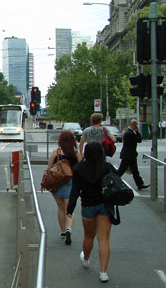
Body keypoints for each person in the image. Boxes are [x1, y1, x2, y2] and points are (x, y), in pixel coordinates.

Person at [67, 141, 115, 283]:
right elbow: (117, 178)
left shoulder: (79, 168)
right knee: (104, 239)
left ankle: (86, 258)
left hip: (87, 205)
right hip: (105, 205)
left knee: (89, 236)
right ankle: (103, 272)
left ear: (86, 153)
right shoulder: (107, 167)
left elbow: (75, 190)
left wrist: (70, 207)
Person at [42, 130, 81, 245]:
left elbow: (49, 168)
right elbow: (80, 169)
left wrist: (44, 182)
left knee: (60, 207)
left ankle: (63, 231)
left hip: (57, 183)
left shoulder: (56, 152)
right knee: (69, 207)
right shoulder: (76, 154)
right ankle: (69, 228)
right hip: (71, 182)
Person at [117, 119, 150, 190]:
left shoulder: (129, 132)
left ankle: (140, 184)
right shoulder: (129, 133)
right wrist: (137, 132)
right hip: (128, 155)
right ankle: (113, 180)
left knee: (135, 171)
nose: (136, 126)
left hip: (130, 155)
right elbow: (139, 139)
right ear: (133, 125)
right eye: (135, 125)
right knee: (121, 170)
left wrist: (136, 132)